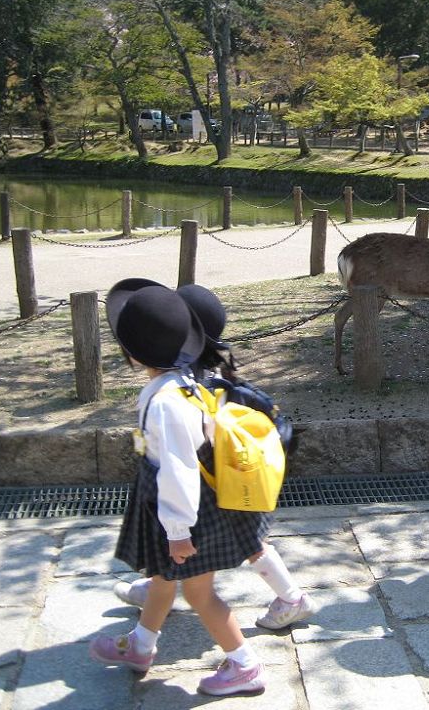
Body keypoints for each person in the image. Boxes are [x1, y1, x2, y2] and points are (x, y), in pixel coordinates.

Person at [88, 280, 264, 696]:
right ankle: (141, 645)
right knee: (163, 579)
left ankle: (244, 665)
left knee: (200, 594)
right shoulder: (183, 382)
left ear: (131, 354)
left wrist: (179, 532)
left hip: (183, 511)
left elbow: (178, 468)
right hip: (174, 505)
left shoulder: (167, 401)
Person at [111, 280, 317, 632]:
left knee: (236, 541)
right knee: (239, 539)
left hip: (215, 478)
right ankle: (158, 586)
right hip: (227, 472)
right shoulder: (214, 374)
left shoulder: (187, 383)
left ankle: (291, 597)